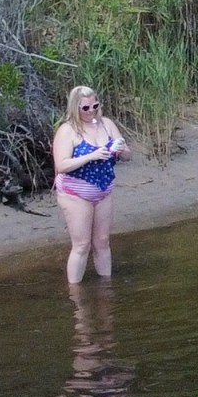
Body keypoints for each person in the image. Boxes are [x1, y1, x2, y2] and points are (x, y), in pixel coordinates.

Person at [51, 84, 129, 284]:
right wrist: (92, 156)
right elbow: (61, 165)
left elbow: (127, 153)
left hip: (104, 191)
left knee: (102, 242)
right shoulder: (67, 130)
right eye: (85, 108)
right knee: (82, 244)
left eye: (94, 105)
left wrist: (120, 150)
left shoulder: (106, 124)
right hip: (75, 193)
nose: (91, 111)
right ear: (75, 108)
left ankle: (106, 286)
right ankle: (75, 293)